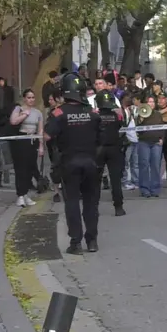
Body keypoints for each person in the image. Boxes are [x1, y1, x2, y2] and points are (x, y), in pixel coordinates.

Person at [44, 72, 102, 255]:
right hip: (91, 162)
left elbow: (46, 135)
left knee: (72, 202)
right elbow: (100, 137)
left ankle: (75, 243)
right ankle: (92, 241)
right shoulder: (93, 113)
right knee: (91, 203)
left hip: (69, 163)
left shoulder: (59, 113)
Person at [93, 89, 126, 217]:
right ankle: (119, 207)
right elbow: (120, 126)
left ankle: (94, 207)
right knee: (115, 180)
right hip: (114, 149)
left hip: (98, 150)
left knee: (96, 181)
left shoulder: (95, 116)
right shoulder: (116, 116)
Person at [9, 89, 44, 205]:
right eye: (29, 97)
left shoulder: (38, 112)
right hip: (21, 140)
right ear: (24, 98)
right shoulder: (19, 109)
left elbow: (40, 130)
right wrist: (24, 115)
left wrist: (41, 145)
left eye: (33, 97)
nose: (31, 100)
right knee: (21, 168)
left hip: (32, 140)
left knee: (30, 168)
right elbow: (13, 121)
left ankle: (25, 194)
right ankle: (20, 195)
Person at [135, 95, 166, 198]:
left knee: (156, 166)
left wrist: (162, 138)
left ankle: (155, 189)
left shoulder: (158, 114)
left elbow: (162, 127)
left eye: (153, 102)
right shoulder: (140, 114)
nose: (151, 104)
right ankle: (144, 189)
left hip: (156, 143)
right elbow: (138, 130)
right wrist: (141, 119)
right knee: (144, 165)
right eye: (149, 102)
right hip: (144, 142)